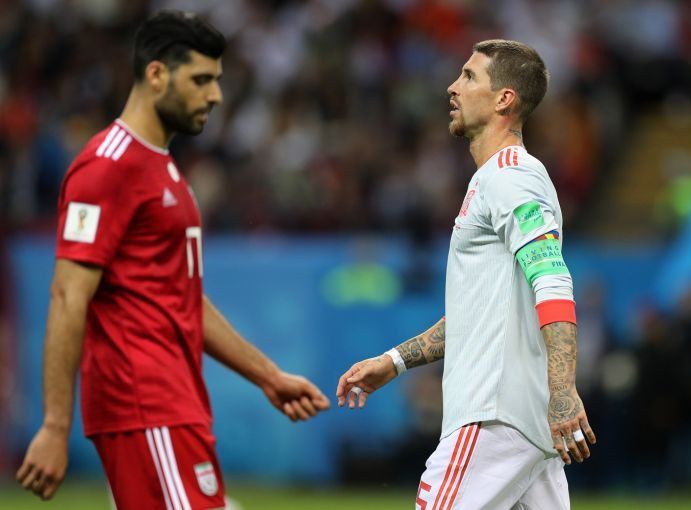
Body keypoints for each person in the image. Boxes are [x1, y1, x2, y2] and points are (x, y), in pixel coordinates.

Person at [16, 11, 330, 508]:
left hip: (174, 405)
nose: (216, 95)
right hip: (145, 403)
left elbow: (182, 299)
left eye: (217, 80)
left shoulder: (162, 169)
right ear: (157, 74)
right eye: (201, 80)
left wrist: (268, 376)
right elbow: (66, 294)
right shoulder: (107, 167)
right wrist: (55, 426)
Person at [337, 40, 596, 509]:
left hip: (494, 419)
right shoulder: (495, 180)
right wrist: (394, 362)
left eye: (469, 77)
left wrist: (563, 391)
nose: (452, 87)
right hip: (522, 428)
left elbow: (553, 280)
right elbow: (476, 316)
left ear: (504, 99)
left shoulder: (511, 177)